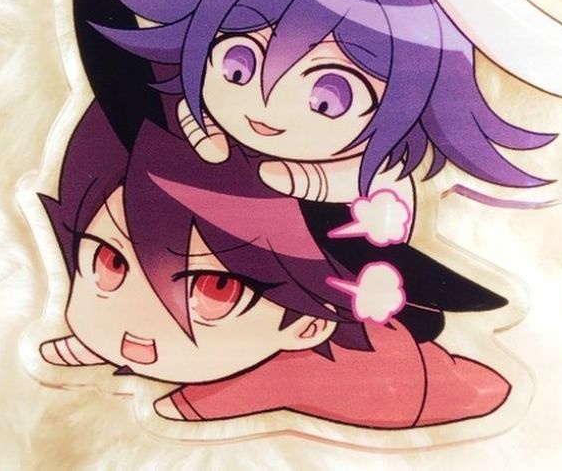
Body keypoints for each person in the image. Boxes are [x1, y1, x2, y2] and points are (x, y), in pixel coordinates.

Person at [39, 102, 510, 427]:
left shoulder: (372, 377)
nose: (142, 324)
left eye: (215, 292)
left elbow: (480, 390)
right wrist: (103, 341)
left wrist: (197, 401)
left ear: (308, 326)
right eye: (110, 262)